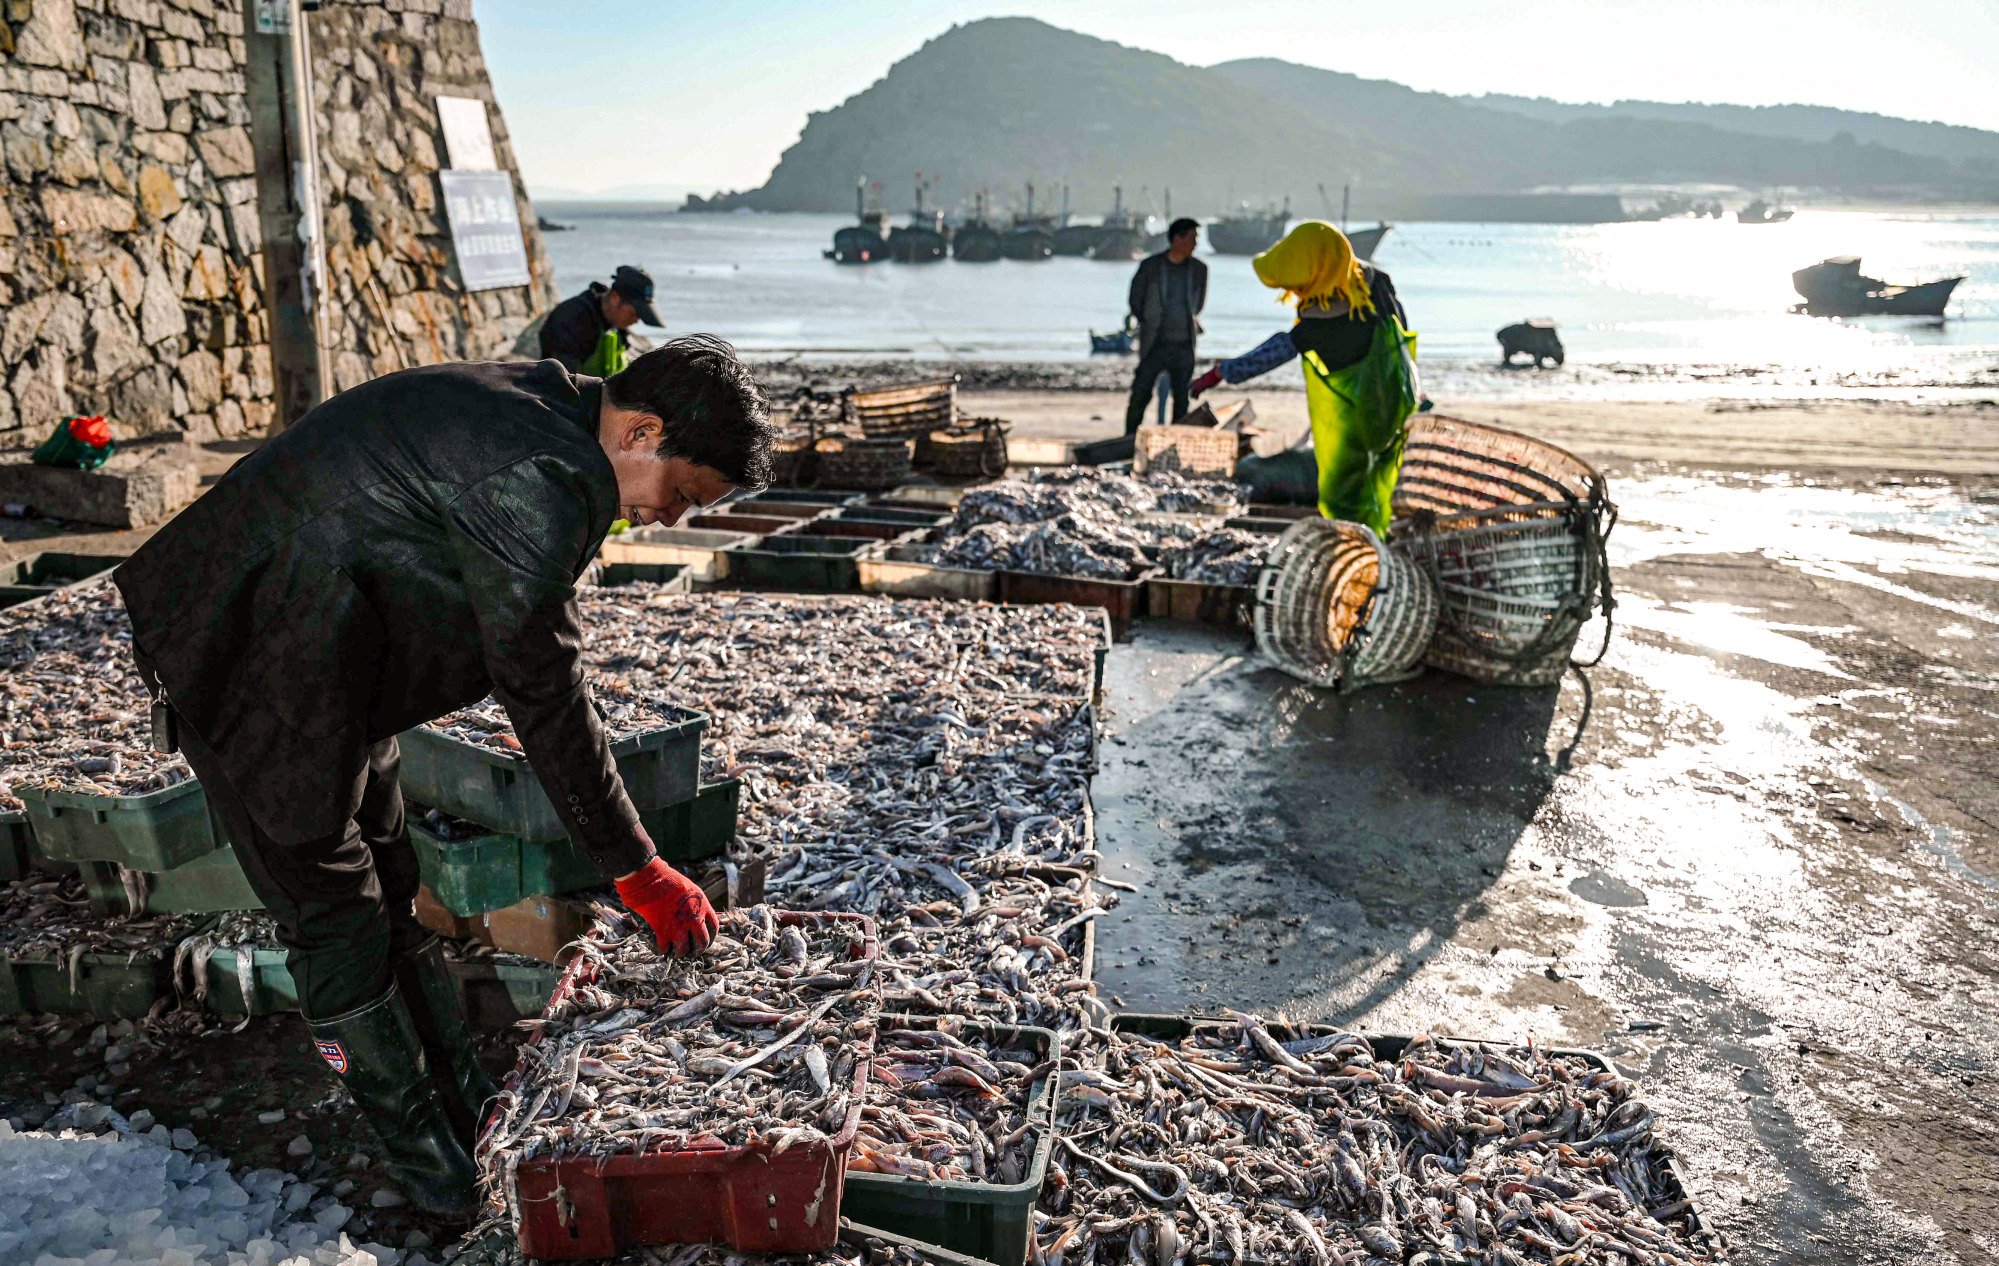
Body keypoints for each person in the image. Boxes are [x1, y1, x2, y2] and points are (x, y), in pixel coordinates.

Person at [113, 335, 774, 1218]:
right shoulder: (543, 469)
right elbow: (541, 683)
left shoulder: (550, 407)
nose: (672, 520)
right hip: (243, 650)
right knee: (334, 908)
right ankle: (429, 1165)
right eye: (684, 495)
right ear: (643, 433)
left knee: (393, 873)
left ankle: (463, 1103)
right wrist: (635, 863)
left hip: (329, 644)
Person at [1190, 221, 1417, 533]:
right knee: (1380, 474)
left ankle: (1360, 538)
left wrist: (1219, 373)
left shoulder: (1318, 323)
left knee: (1347, 485)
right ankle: (1376, 533)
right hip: (1397, 395)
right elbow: (1400, 331)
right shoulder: (1376, 282)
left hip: (1357, 412)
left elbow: (1273, 353)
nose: (1295, 292)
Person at [1123, 218, 1207, 434]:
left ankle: (1175, 442)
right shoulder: (1150, 266)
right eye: (1192, 238)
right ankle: (1129, 440)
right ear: (1176, 239)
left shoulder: (1199, 269)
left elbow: (1199, 304)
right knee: (1140, 394)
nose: (1195, 244)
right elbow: (1135, 299)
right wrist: (1148, 321)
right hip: (1155, 342)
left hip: (1184, 344)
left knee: (1181, 399)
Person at [538, 264, 663, 374]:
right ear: (615, 297)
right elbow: (563, 381)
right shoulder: (572, 318)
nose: (637, 320)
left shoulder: (615, 325)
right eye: (634, 313)